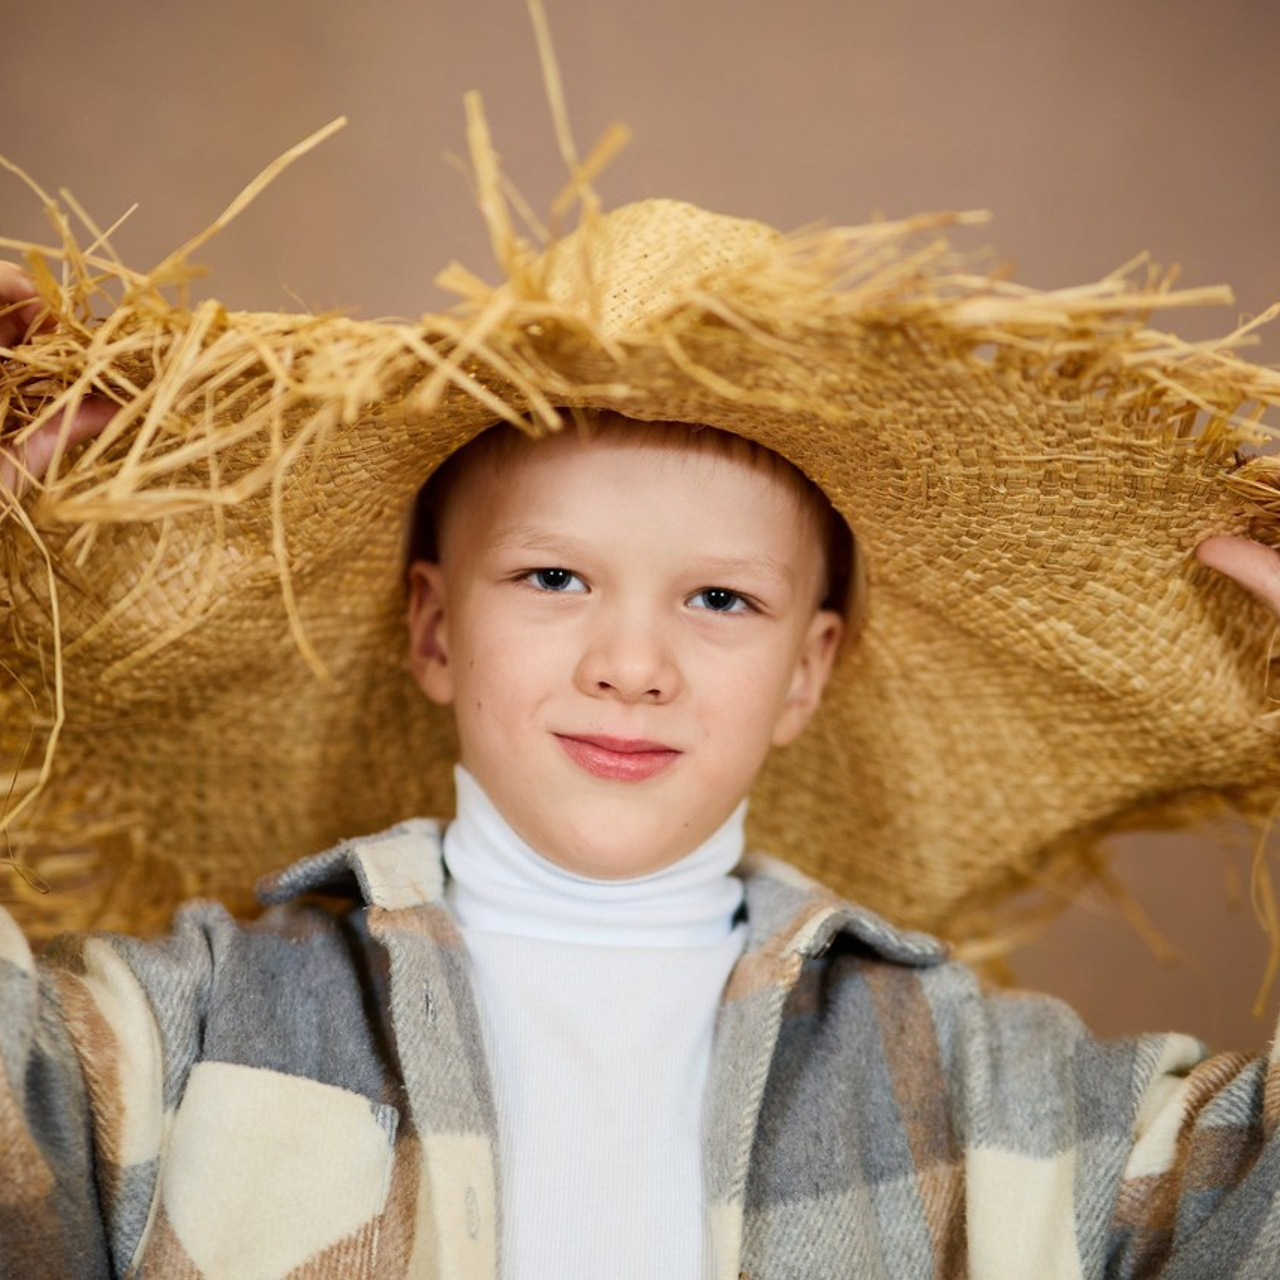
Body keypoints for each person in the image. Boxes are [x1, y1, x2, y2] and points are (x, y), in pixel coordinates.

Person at [2, 193, 1280, 1278]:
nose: (629, 666)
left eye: (720, 598)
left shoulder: (996, 1089)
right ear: (436, 630)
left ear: (803, 672)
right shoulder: (182, 1034)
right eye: (552, 578)